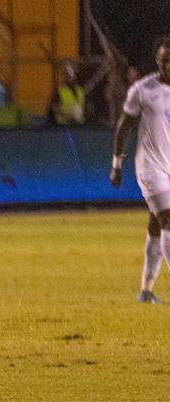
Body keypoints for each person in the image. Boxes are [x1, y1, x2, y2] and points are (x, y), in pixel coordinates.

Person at [112, 36, 170, 304]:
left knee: (155, 226)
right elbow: (124, 126)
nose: (168, 65)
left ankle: (146, 290)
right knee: (168, 219)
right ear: (158, 61)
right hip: (149, 167)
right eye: (164, 60)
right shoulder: (143, 90)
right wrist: (116, 163)